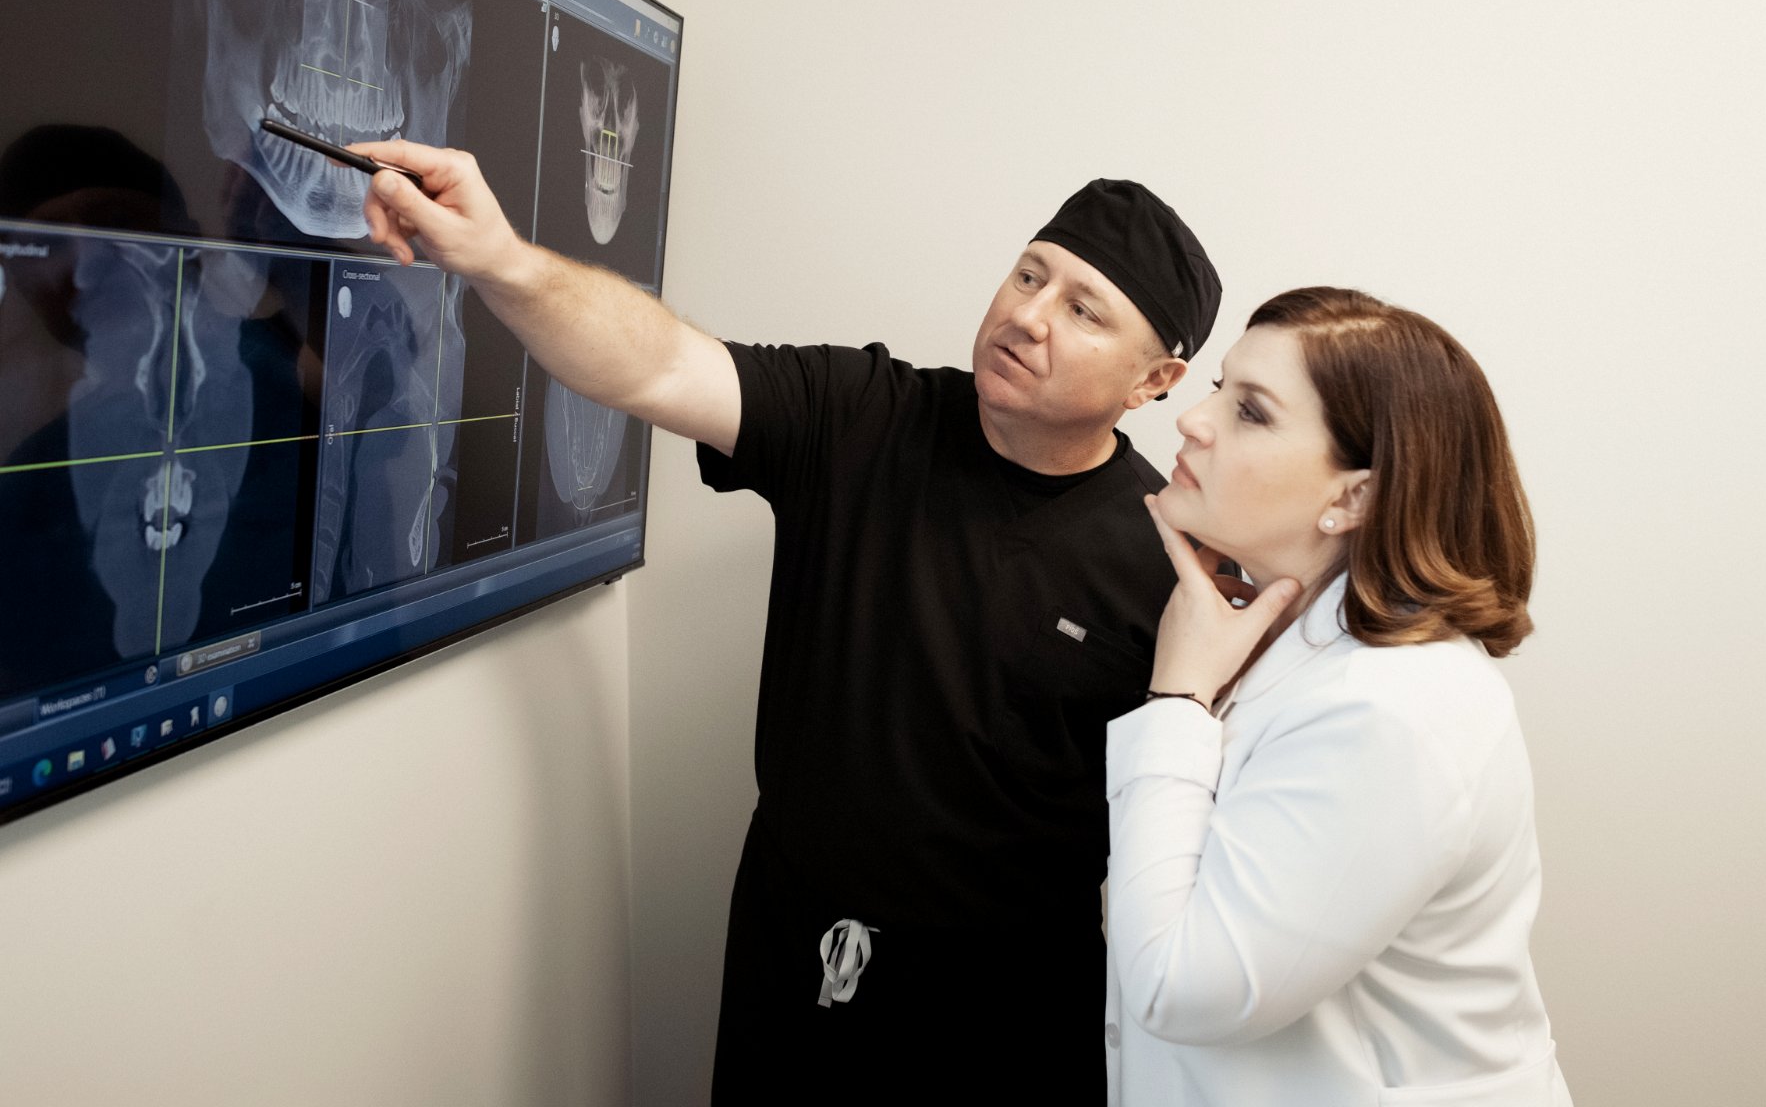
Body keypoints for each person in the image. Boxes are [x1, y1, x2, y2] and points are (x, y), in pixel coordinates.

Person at [356, 141, 1222, 1100]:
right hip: (792, 959)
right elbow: (657, 366)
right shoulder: (865, 415)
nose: (1026, 315)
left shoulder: (1171, 563)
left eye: (1081, 309)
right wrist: (499, 258)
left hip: (1006, 1012)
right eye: (1028, 273)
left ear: (1156, 384)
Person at [1106, 286, 1570, 1106]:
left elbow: (1179, 988)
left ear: (1353, 496)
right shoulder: (1284, 639)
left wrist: (1178, 697)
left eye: (1250, 411)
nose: (1193, 420)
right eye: (1219, 386)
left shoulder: (1392, 708)